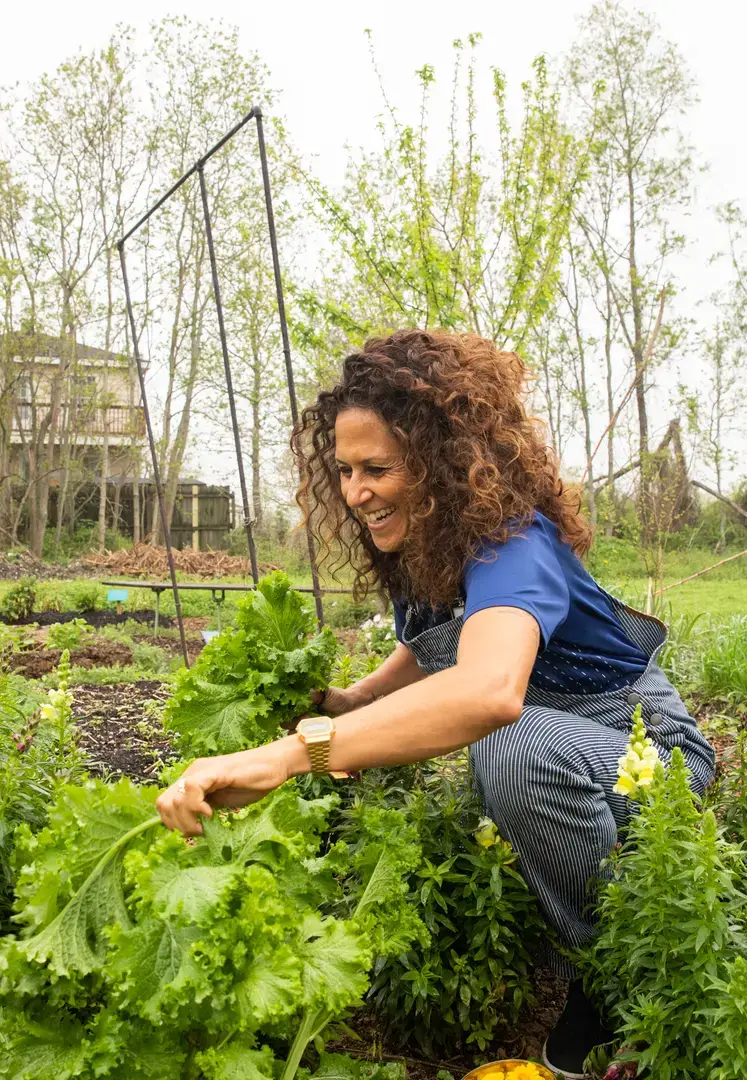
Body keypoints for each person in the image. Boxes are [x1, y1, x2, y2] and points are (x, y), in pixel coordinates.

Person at [156, 328, 715, 1076]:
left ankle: (616, 975)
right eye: (346, 470)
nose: (356, 492)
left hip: (647, 749)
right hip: (562, 742)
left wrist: (290, 757)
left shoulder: (514, 545)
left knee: (511, 749)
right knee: (499, 747)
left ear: (441, 462)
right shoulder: (430, 549)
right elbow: (427, 653)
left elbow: (488, 690)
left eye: (377, 468)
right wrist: (339, 702)